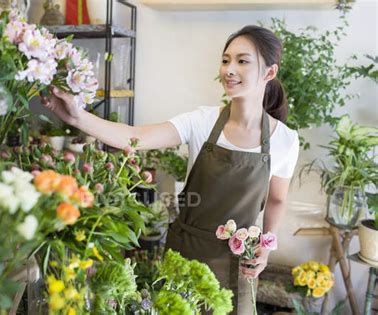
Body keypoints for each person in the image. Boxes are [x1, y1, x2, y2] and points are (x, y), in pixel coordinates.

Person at [42, 25, 299, 314]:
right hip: (186, 254)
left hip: (241, 263)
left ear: (269, 73)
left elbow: (277, 199)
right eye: (226, 60)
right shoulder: (202, 122)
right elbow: (135, 137)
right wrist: (78, 117)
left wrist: (266, 247)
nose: (229, 69)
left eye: (242, 61)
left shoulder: (285, 140)